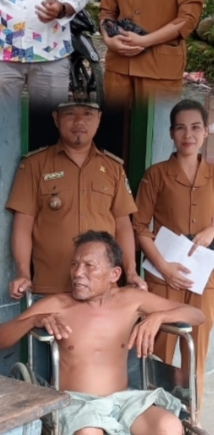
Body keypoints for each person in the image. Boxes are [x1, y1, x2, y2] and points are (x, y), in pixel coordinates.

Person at [0, 231, 205, 435]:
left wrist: (159, 317)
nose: (78, 273)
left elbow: (196, 315)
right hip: (79, 404)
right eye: (75, 264)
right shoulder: (58, 304)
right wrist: (33, 320)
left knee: (169, 426)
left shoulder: (131, 300)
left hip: (126, 401)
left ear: (114, 274)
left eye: (89, 265)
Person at [5, 100, 144, 299]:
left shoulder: (113, 168)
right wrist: (23, 273)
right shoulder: (34, 165)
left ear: (99, 120)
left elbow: (122, 225)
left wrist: (130, 272)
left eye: (88, 114)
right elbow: (23, 225)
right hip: (52, 288)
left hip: (102, 289)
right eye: (70, 114)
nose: (79, 121)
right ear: (56, 118)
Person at [133, 99, 214, 406]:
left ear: (205, 132)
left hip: (204, 277)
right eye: (180, 128)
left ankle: (191, 416)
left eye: (195, 127)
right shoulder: (156, 175)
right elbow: (139, 226)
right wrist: (164, 267)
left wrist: (212, 231)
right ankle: (156, 412)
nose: (188, 135)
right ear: (171, 133)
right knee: (160, 348)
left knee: (197, 348)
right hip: (163, 276)